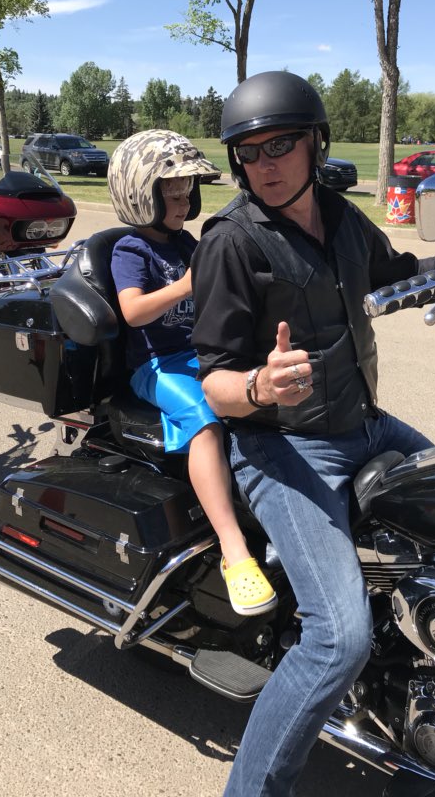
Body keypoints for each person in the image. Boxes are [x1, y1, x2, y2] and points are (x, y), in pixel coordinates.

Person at [190, 71, 435, 796]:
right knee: (336, 636)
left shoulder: (344, 218)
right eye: (249, 152)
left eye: (281, 143)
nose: (266, 162)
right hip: (282, 447)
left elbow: (401, 276)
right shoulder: (232, 242)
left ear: (315, 144)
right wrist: (260, 384)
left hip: (365, 423)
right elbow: (214, 384)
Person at [107, 129, 277, 617]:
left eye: (187, 193)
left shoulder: (189, 242)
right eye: (172, 193)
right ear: (142, 196)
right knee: (206, 418)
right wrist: (185, 286)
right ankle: (233, 549)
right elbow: (134, 312)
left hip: (200, 354)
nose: (183, 201)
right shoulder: (130, 251)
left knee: (258, 392)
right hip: (154, 366)